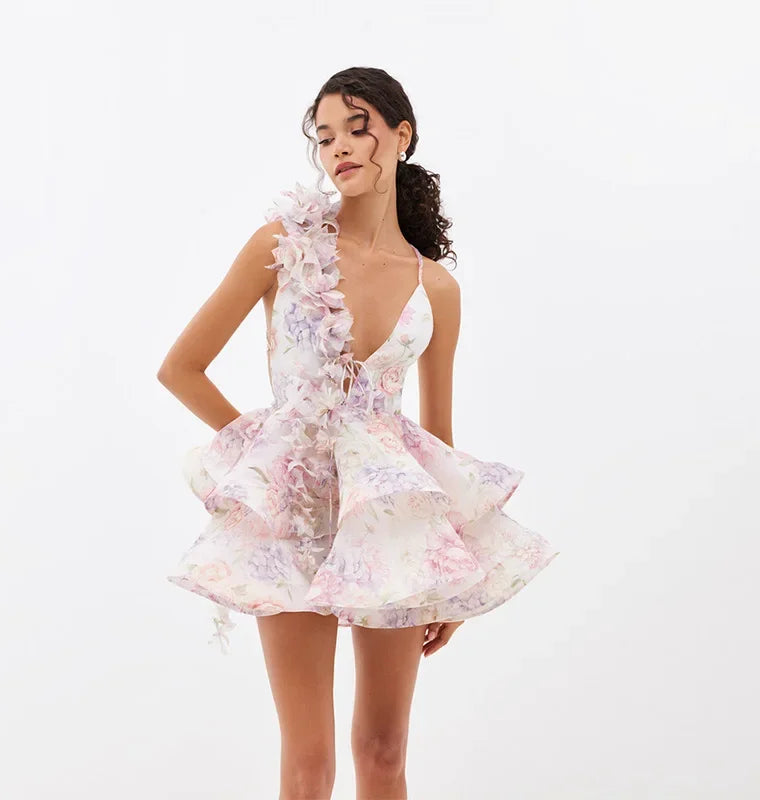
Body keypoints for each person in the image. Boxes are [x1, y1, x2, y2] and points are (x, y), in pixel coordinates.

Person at [158, 66, 559, 800]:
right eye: (324, 136)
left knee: (383, 751)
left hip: (391, 521)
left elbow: (438, 439)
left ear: (402, 136)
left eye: (357, 127)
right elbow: (181, 369)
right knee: (308, 763)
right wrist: (270, 453)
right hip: (293, 517)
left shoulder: (437, 289)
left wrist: (446, 583)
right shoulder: (280, 246)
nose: (337, 147)